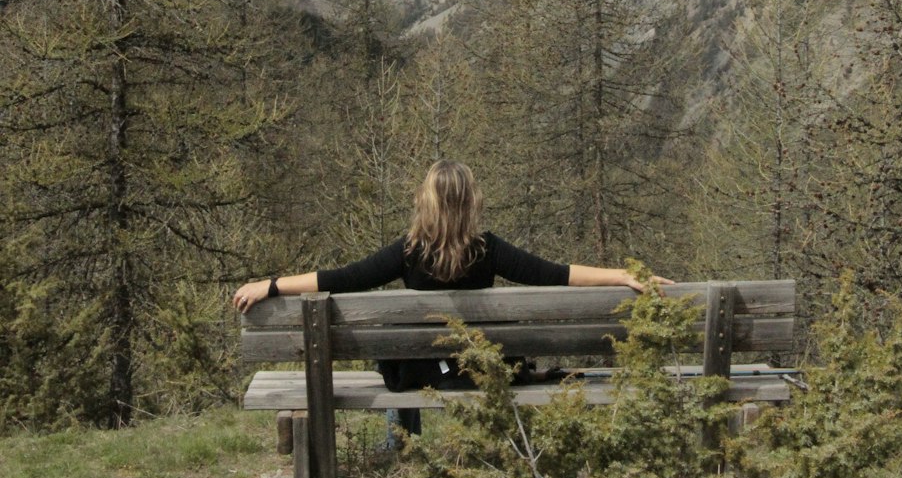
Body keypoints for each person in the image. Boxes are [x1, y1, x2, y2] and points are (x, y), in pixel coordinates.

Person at [233, 159, 672, 433]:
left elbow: (340, 278)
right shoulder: (489, 250)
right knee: (475, 352)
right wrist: (622, 274)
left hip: (417, 373)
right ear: (471, 203)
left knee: (400, 351)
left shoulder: (405, 252)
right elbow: (558, 274)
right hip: (475, 368)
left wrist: (271, 285)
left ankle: (403, 442)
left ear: (425, 201)